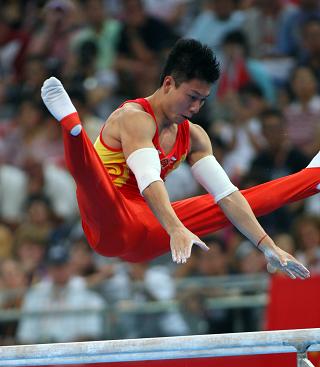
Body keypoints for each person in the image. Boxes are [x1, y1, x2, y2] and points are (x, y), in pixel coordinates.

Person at [41, 38, 320, 279]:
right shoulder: (134, 118)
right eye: (192, 97)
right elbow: (148, 179)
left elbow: (227, 194)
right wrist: (176, 228)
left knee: (231, 201)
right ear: (168, 83)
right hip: (110, 224)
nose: (196, 107)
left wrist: (268, 246)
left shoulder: (195, 136)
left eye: (203, 100)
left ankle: (314, 176)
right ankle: (72, 127)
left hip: (151, 226)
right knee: (92, 182)